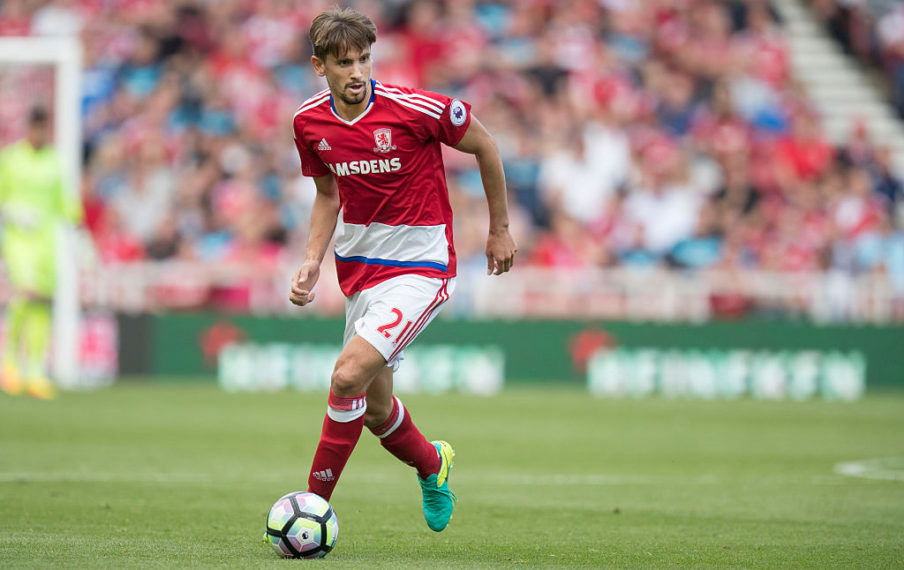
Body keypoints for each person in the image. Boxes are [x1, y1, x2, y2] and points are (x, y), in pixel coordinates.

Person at [288, 7, 516, 532]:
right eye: (343, 62)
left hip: (420, 267)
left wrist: (499, 229)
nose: (357, 71)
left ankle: (312, 508)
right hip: (358, 270)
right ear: (319, 66)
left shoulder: (413, 109)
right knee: (373, 409)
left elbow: (485, 144)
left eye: (364, 58)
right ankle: (433, 465)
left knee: (346, 376)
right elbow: (327, 193)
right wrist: (310, 259)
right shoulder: (308, 123)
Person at [0, 106, 83, 399]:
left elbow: (66, 203)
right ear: (27, 128)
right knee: (24, 294)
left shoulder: (55, 162)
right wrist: (12, 213)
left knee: (42, 306)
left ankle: (35, 370)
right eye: (34, 128)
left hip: (46, 244)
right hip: (19, 241)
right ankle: (9, 364)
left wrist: (79, 231)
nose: (38, 134)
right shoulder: (10, 159)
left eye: (42, 128)